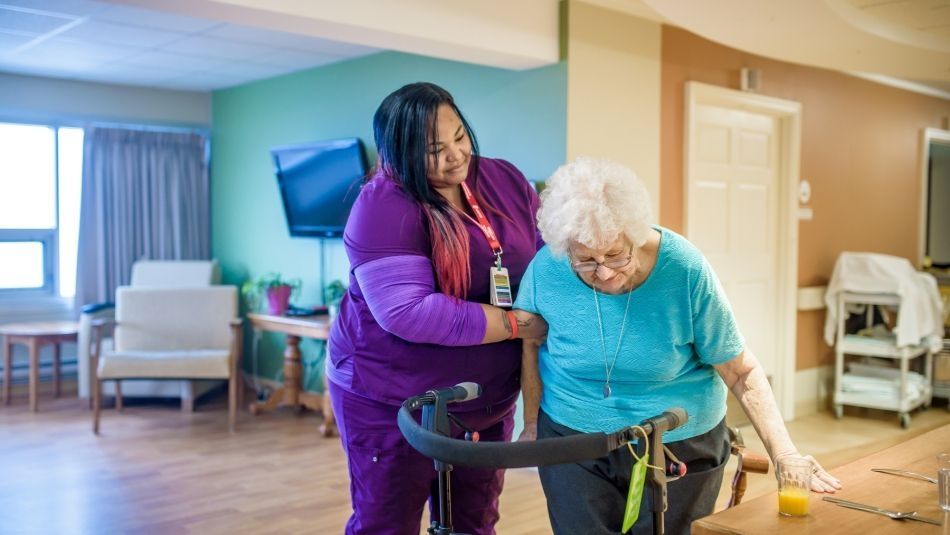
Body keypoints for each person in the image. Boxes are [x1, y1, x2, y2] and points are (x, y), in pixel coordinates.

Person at [516, 157, 841, 534]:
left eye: (616, 256)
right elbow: (531, 344)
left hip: (677, 440)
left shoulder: (684, 270)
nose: (602, 272)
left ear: (636, 235)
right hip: (574, 435)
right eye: (585, 260)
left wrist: (785, 455)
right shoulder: (547, 269)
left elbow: (739, 370)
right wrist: (530, 424)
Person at [326, 82, 548, 535]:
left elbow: (545, 261)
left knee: (474, 521)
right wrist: (517, 324)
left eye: (460, 137)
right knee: (386, 524)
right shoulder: (382, 206)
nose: (455, 156)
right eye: (433, 150)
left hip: (486, 397)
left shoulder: (504, 180)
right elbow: (409, 311)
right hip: (391, 399)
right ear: (399, 152)